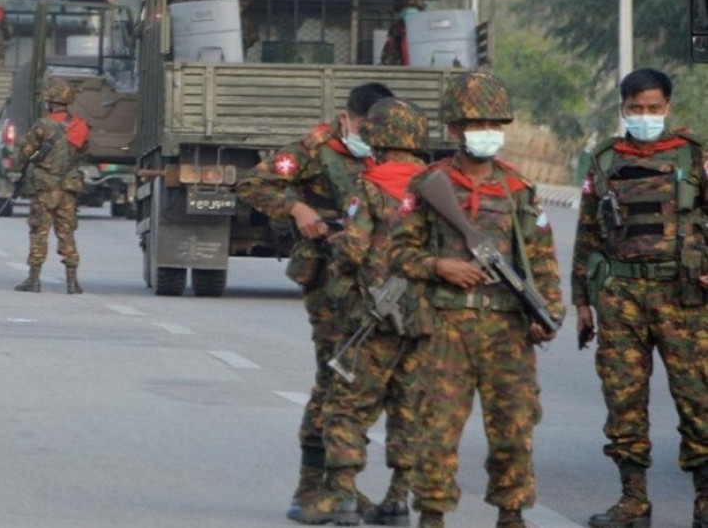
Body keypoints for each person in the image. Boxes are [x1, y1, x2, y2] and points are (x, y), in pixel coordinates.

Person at [389, 71, 563, 528]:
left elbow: (541, 262)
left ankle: (512, 514)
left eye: (494, 124)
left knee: (514, 429)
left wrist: (548, 314)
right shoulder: (428, 185)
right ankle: (431, 515)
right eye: (476, 123)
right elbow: (396, 253)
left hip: (508, 331)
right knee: (437, 429)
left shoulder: (518, 189)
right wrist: (439, 267)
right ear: (454, 129)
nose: (487, 131)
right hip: (445, 329)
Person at [235, 82, 392, 520]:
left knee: (363, 382)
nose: (370, 135)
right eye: (364, 126)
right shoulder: (315, 150)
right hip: (328, 277)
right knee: (335, 375)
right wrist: (297, 208)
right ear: (347, 118)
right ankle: (311, 488)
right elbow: (253, 183)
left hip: (374, 278)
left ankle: (342, 486)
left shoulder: (388, 154)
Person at [573, 68, 708, 528]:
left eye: (653, 108)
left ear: (667, 107)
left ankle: (705, 502)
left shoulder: (694, 155)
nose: (645, 116)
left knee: (698, 400)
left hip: (684, 298)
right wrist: (582, 303)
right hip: (622, 297)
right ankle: (633, 501)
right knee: (623, 399)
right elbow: (587, 234)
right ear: (623, 108)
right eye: (636, 108)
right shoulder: (605, 160)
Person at [289, 97, 430, 525]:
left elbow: (353, 251)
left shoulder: (369, 185)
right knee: (409, 404)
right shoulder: (440, 184)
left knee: (346, 405)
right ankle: (398, 499)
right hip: (424, 315)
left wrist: (338, 250)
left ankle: (343, 497)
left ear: (377, 136)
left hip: (374, 314)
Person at [13, 78, 90, 294]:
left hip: (45, 188)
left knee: (39, 231)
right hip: (68, 189)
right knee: (67, 233)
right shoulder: (80, 125)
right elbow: (83, 152)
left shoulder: (42, 126)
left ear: (49, 101)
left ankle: (34, 279)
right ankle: (72, 282)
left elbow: (24, 154)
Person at [380, 0, 426, 66]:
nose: (409, 10)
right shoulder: (395, 30)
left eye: (413, 6)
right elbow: (387, 59)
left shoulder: (426, 28)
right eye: (405, 7)